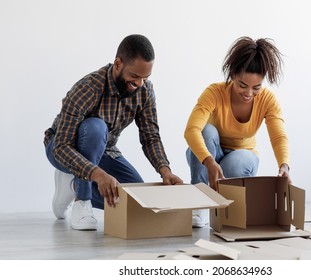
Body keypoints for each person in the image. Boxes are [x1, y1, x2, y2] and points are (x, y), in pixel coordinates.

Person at [44, 34, 183, 231]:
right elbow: (60, 147)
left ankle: (73, 185)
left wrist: (165, 171)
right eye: (134, 76)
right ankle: (82, 200)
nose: (140, 84)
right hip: (62, 147)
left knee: (135, 200)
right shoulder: (89, 88)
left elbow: (150, 136)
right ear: (118, 63)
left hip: (105, 150)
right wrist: (98, 175)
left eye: (145, 78)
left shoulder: (144, 91)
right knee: (95, 127)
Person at [184, 36, 291, 227]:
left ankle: (226, 209)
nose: (249, 93)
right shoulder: (214, 93)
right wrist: (209, 161)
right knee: (206, 131)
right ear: (233, 75)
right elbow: (191, 130)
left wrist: (284, 165)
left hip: (241, 156)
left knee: (239, 161)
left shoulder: (268, 100)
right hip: (210, 154)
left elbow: (279, 136)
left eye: (256, 87)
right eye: (243, 85)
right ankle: (199, 204)